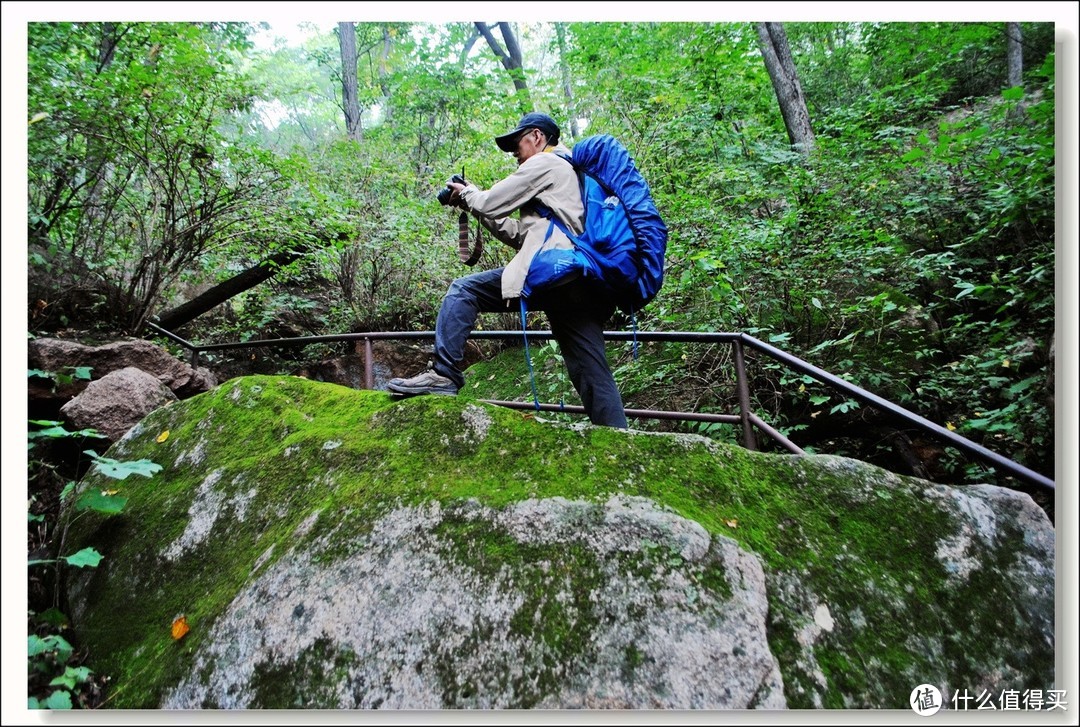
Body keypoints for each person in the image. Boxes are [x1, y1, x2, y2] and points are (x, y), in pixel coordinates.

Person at [388, 112, 628, 429]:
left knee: (464, 291)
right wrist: (471, 202)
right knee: (590, 367)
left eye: (517, 142)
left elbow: (490, 203)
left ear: (537, 137)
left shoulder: (545, 163)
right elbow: (520, 235)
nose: (514, 151)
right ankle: (618, 439)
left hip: (556, 270)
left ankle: (443, 375)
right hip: (579, 280)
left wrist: (468, 194)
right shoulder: (570, 171)